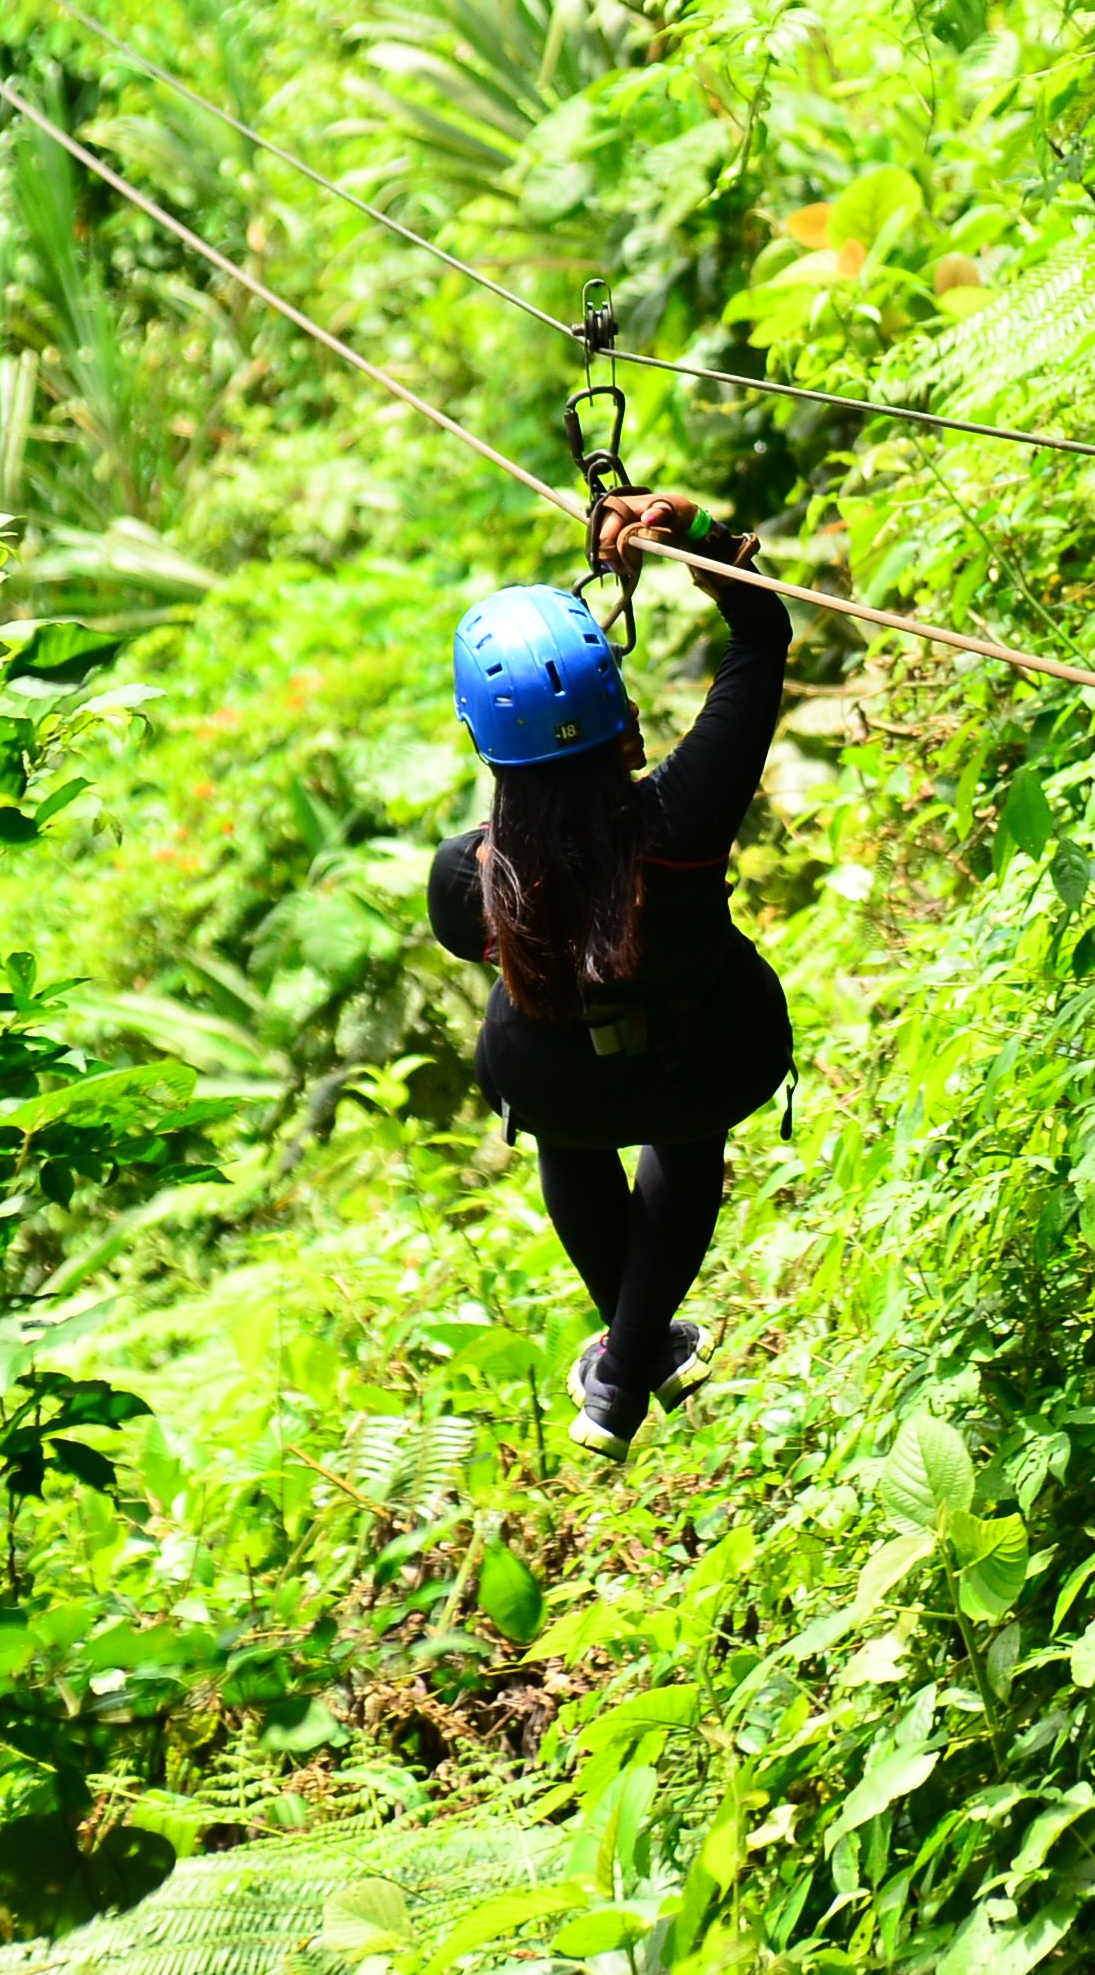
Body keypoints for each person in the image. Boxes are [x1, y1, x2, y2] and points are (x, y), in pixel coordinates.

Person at [427, 491, 793, 1463]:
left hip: (561, 1088)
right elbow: (761, 633)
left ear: (481, 733)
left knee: (563, 1119)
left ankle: (631, 1366)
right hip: (710, 1056)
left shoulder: (470, 878)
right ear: (620, 709)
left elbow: (475, 942)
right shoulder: (685, 815)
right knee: (683, 1123)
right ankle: (632, 1368)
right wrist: (696, 536)